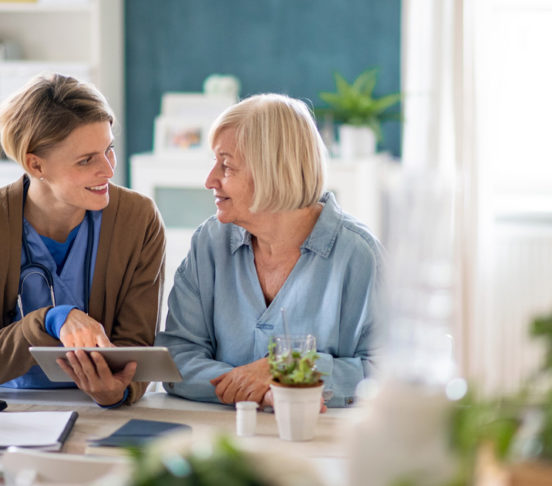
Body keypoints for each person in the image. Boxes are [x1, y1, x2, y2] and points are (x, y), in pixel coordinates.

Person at [155, 93, 383, 408]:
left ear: (272, 171)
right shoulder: (209, 243)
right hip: (222, 434)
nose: (210, 180)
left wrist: (285, 368)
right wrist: (264, 390)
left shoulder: (359, 256)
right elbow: (178, 357)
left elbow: (386, 372)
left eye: (226, 165)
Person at [0, 73, 166, 407]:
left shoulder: (138, 219)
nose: (108, 170)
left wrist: (119, 390)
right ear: (36, 164)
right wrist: (50, 320)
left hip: (99, 411)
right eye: (86, 160)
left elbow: (137, 346)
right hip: (11, 410)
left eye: (110, 150)